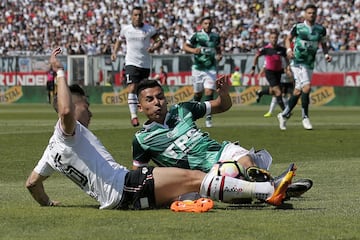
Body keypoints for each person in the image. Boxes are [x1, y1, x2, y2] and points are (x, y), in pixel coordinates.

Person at [25, 47, 296, 212]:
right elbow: (65, 111)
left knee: (191, 182)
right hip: (126, 186)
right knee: (194, 179)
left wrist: (48, 203)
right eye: (85, 105)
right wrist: (59, 72)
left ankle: (265, 188)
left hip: (125, 192)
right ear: (72, 105)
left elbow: (32, 184)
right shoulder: (67, 131)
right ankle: (268, 190)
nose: (90, 110)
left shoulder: (52, 150)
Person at [133, 78, 312, 199]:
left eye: (160, 97)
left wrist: (223, 93)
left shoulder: (183, 109)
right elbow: (136, 176)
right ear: (140, 107)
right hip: (198, 177)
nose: (157, 102)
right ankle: (276, 188)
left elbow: (221, 105)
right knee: (231, 179)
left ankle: (260, 181)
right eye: (150, 99)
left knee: (243, 157)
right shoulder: (142, 139)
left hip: (220, 153)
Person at [277, 4, 332, 130]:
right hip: (297, 61)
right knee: (306, 88)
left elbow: (323, 44)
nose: (311, 15)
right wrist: (289, 50)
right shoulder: (298, 27)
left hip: (309, 63)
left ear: (316, 14)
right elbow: (288, 39)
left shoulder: (320, 29)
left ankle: (284, 114)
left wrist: (327, 54)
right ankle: (305, 117)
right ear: (305, 14)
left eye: (313, 13)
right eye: (309, 13)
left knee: (298, 91)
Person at [111, 6, 163, 127]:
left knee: (144, 91)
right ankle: (133, 116)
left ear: (143, 16)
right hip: (131, 62)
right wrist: (114, 52)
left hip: (145, 64)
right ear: (131, 16)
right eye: (135, 15)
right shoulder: (126, 29)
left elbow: (159, 40)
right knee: (132, 87)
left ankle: (148, 114)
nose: (137, 17)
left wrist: (154, 47)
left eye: (140, 15)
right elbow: (119, 40)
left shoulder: (149, 29)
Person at [183, 16, 222, 128]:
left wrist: (219, 55)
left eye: (210, 23)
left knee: (209, 92)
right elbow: (185, 46)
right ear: (202, 24)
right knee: (198, 95)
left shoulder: (216, 36)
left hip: (210, 68)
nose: (208, 25)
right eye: (205, 23)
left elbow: (218, 49)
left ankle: (208, 117)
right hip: (198, 68)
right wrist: (193, 50)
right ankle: (193, 114)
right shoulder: (196, 35)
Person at [250, 31, 288, 113]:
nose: (274, 39)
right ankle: (285, 112)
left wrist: (288, 67)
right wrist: (253, 68)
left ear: (277, 39)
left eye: (275, 38)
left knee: (274, 91)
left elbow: (286, 57)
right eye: (272, 38)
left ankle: (261, 93)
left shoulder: (281, 49)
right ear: (269, 39)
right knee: (278, 91)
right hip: (269, 72)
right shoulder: (266, 49)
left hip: (279, 72)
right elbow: (256, 56)